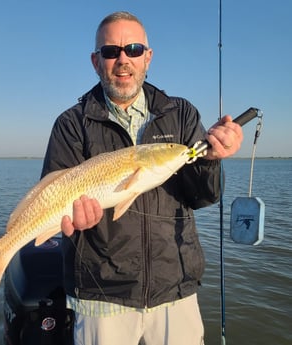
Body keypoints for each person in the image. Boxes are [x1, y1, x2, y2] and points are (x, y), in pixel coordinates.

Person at [41, 11, 243, 345]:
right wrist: (74, 219)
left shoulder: (181, 114)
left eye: (134, 49)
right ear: (95, 61)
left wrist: (211, 160)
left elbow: (203, 196)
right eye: (111, 51)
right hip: (101, 295)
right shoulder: (71, 124)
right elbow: (54, 195)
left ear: (148, 57)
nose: (123, 59)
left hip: (175, 288)